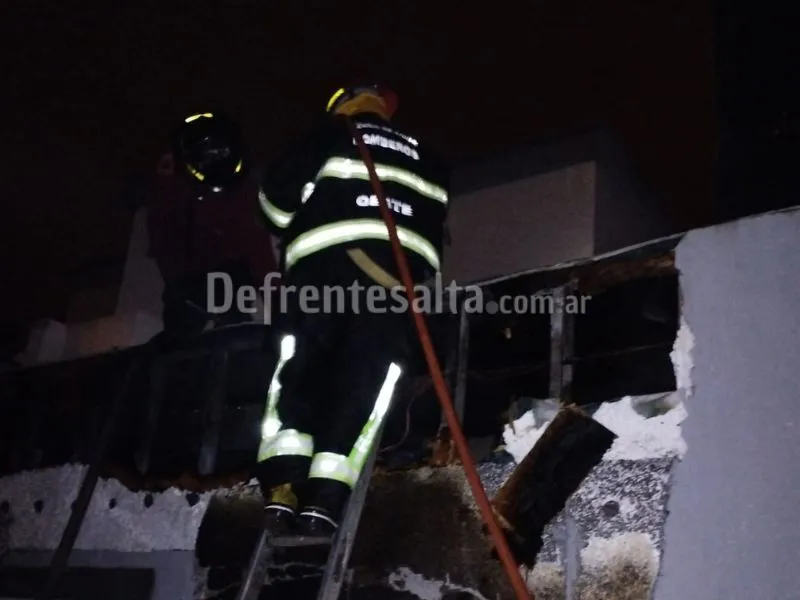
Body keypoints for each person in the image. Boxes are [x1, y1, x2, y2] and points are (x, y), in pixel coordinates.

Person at [253, 84, 451, 537]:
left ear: (342, 106)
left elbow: (275, 203)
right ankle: (327, 495)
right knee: (366, 383)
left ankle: (283, 484)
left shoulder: (332, 133)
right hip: (394, 289)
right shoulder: (429, 157)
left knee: (300, 367)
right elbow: (434, 227)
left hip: (324, 272)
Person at [146, 111, 278, 342]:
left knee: (237, 332)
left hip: (233, 280)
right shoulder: (174, 194)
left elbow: (260, 255)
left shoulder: (245, 195)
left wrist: (282, 309)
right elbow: (165, 245)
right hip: (188, 285)